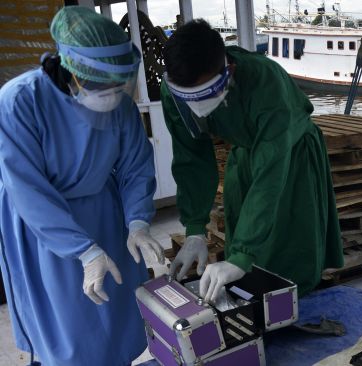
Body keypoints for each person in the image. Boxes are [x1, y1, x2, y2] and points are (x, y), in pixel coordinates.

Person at [0, 7, 162, 365]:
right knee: (65, 326)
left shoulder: (120, 105)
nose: (110, 94)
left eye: (118, 84)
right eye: (98, 82)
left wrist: (137, 221)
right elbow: (26, 188)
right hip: (45, 226)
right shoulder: (19, 102)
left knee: (116, 315)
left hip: (105, 214)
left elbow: (136, 166)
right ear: (69, 67)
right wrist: (83, 250)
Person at [161, 20, 343, 301]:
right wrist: (195, 230)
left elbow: (271, 171)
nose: (196, 105)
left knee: (291, 243)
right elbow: (190, 158)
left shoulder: (264, 80)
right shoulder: (172, 90)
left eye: (205, 94)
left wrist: (241, 256)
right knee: (241, 224)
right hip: (244, 152)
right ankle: (250, 294)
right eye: (188, 98)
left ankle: (293, 305)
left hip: (290, 152)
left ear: (228, 72)